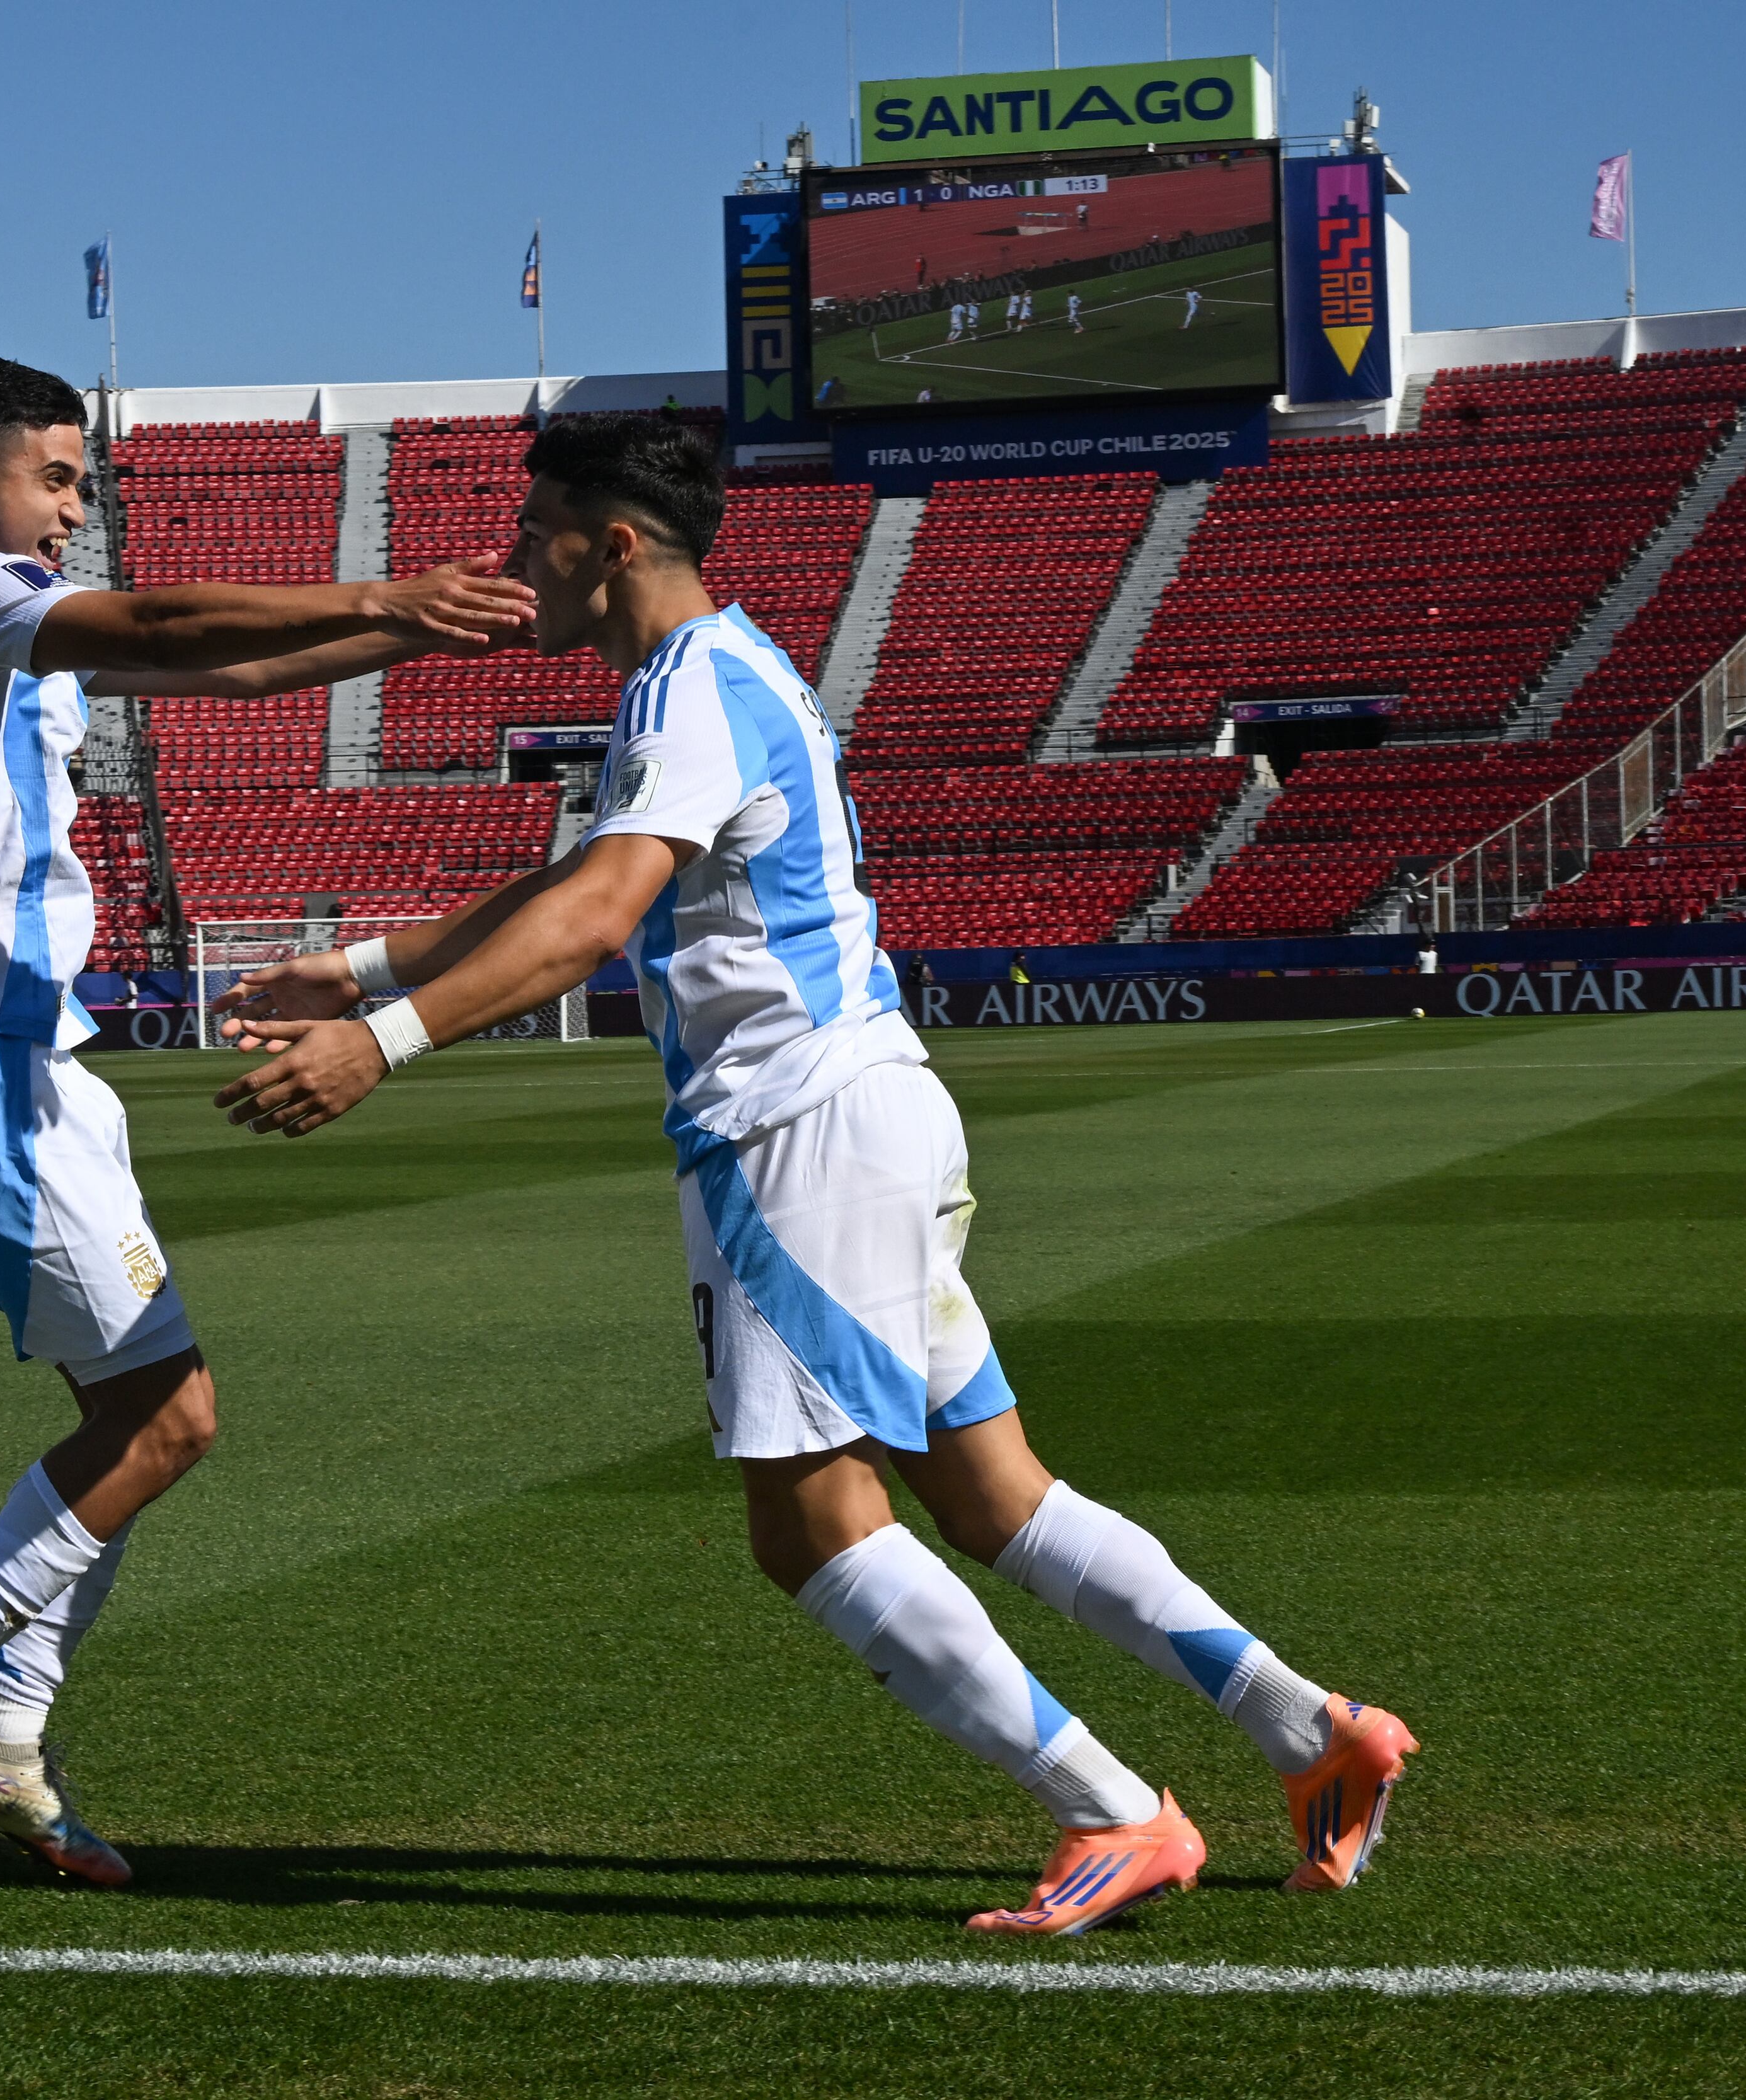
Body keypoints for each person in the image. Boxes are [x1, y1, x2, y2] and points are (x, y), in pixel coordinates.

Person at [212, 417, 1414, 1934]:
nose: (518, 563)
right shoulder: (717, 673)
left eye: (536, 535)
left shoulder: (693, 687)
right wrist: (356, 963)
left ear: (614, 544)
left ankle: (1113, 1813)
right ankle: (1316, 1733)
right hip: (873, 1108)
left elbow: (590, 925)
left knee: (808, 1522)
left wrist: (380, 1041)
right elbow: (580, 888)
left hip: (797, 1138)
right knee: (994, 1494)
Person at [0, 347, 531, 1890]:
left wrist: (398, 632)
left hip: (25, 1057)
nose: (79, 507)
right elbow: (162, 623)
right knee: (172, 1417)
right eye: (60, 478)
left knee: (135, 1419)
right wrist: (392, 591)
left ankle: (4, 1730)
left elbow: (230, 670)